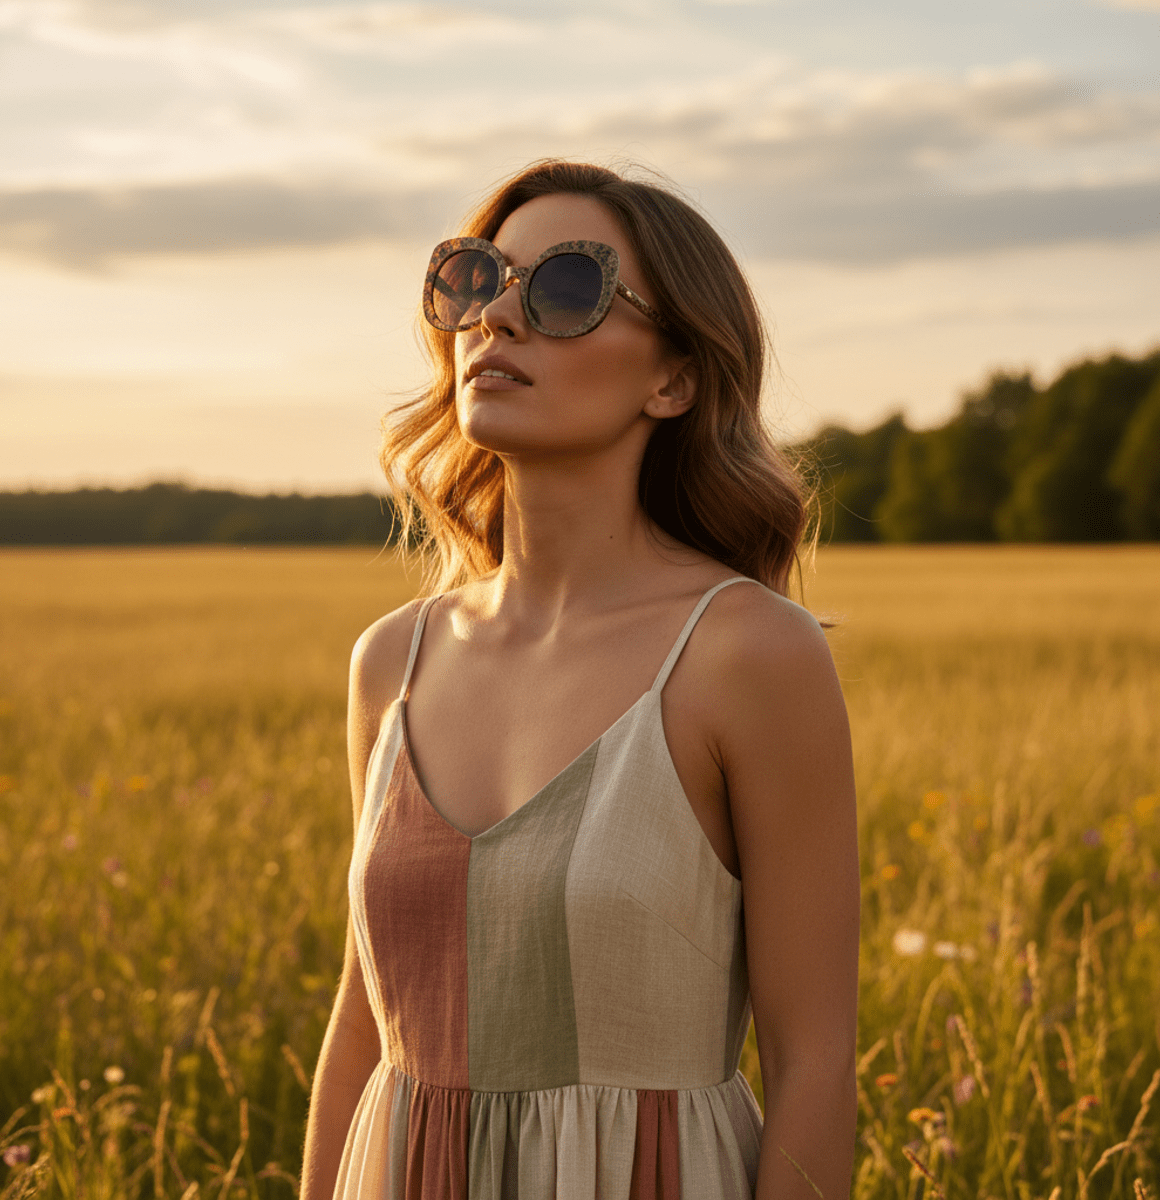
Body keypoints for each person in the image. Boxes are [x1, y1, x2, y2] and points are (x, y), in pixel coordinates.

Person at [299, 160, 859, 1200]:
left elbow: (814, 1063)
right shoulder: (392, 660)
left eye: (566, 288)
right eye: (474, 278)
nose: (496, 317)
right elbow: (363, 1026)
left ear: (673, 381)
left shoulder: (747, 654)